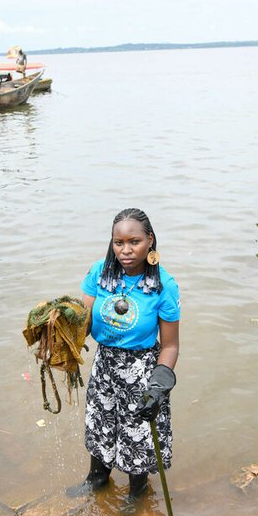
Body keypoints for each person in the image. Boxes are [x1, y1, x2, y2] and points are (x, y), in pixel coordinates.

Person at [76, 208, 181, 500]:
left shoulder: (164, 285)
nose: (125, 250)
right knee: (100, 423)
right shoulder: (100, 272)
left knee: (138, 435)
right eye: (118, 242)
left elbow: (170, 345)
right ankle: (97, 481)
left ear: (150, 240)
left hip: (141, 369)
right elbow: (81, 323)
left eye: (134, 241)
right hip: (104, 363)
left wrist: (159, 384)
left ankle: (137, 495)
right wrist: (59, 338)